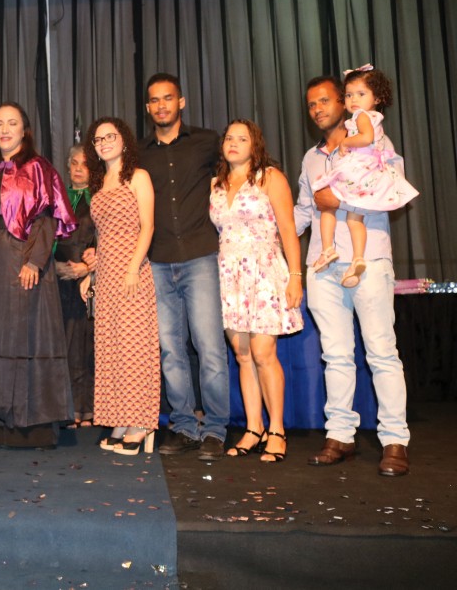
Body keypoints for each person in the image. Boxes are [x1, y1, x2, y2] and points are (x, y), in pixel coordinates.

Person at [295, 75, 411, 477]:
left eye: (325, 101)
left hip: (369, 260)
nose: (318, 109)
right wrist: (260, 229)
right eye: (311, 105)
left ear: (343, 103)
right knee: (336, 355)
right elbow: (304, 212)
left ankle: (395, 440)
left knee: (381, 352)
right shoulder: (311, 158)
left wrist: (338, 199)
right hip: (323, 266)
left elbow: (391, 189)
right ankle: (340, 436)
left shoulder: (376, 141)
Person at [0, 101, 77, 448]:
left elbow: (47, 217)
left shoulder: (38, 167)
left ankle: (32, 427)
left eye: (11, 123)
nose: (4, 129)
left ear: (24, 129)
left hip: (24, 256)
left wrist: (35, 261)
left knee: (27, 337)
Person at [137, 73, 230, 460]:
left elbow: (242, 170)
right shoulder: (139, 155)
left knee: (209, 346)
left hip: (201, 255)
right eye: (155, 100)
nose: (162, 105)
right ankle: (184, 426)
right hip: (157, 261)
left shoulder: (209, 142)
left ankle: (215, 429)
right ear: (147, 108)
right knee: (170, 350)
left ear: (182, 102)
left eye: (168, 98)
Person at [210, 120, 303, 462]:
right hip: (229, 276)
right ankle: (253, 428)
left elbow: (289, 230)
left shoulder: (270, 177)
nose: (233, 143)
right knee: (243, 355)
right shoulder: (216, 184)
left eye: (241, 138)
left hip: (263, 273)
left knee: (264, 353)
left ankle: (276, 430)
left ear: (255, 144)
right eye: (229, 137)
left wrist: (296, 275)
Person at [79, 118, 160, 455]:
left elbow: (148, 226)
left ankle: (141, 423)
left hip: (132, 271)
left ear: (124, 141)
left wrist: (132, 268)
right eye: (98, 140)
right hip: (108, 273)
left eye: (110, 137)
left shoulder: (138, 177)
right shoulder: (99, 184)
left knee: (135, 348)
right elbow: (101, 235)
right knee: (111, 349)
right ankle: (119, 419)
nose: (104, 143)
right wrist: (91, 273)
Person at [309, 66, 418, 287]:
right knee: (353, 219)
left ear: (377, 98)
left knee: (327, 199)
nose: (353, 100)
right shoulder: (310, 157)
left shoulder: (361, 118)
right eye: (349, 95)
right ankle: (357, 257)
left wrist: (346, 142)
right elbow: (304, 209)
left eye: (360, 94)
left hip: (357, 171)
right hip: (368, 172)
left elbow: (366, 138)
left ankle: (328, 249)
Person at [53, 144, 96, 429]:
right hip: (60, 281)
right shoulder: (58, 200)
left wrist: (90, 267)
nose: (79, 168)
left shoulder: (101, 199)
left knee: (90, 346)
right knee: (66, 346)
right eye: (74, 163)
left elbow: (114, 238)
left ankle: (90, 409)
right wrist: (58, 268)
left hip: (93, 282)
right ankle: (69, 407)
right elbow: (47, 237)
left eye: (85, 163)